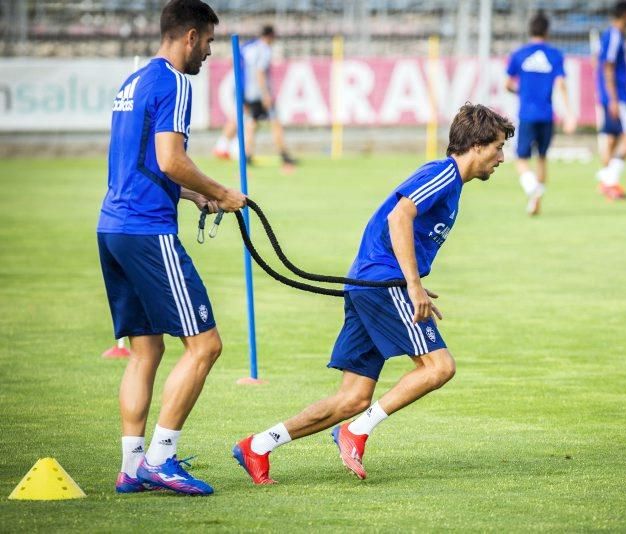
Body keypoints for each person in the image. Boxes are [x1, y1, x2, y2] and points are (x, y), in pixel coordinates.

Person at [232, 103, 515, 484]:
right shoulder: (444, 174)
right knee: (439, 367)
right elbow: (399, 216)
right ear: (477, 145)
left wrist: (412, 277)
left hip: (373, 283)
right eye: (497, 147)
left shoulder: (451, 185)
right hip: (383, 282)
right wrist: (410, 284)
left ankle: (258, 446)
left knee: (352, 399)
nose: (501, 157)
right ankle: (356, 431)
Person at [97, 0, 246, 496]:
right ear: (189, 37)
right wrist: (222, 191)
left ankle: (131, 464)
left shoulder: (132, 81)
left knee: (146, 350)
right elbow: (170, 157)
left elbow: (138, 161)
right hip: (146, 231)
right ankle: (162, 459)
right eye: (207, 41)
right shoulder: (175, 82)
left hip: (113, 228)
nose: (208, 52)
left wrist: (194, 193)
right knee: (205, 345)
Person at [506, 11, 576, 216]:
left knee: (520, 158)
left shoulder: (519, 54)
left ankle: (531, 188)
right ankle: (536, 199)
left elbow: (507, 84)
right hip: (547, 115)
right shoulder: (555, 55)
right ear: (547, 31)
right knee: (542, 158)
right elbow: (561, 83)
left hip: (526, 114)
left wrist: (522, 91)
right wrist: (569, 114)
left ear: (530, 30)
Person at [213, 25, 298, 168]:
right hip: (258, 93)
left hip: (245, 90)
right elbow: (260, 72)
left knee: (252, 122)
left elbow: (231, 60)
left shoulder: (248, 46)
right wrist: (266, 94)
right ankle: (284, 155)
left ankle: (247, 154)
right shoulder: (264, 49)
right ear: (270, 36)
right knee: (274, 122)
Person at [595, 1, 626, 201]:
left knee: (611, 139)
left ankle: (608, 185)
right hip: (616, 96)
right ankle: (609, 177)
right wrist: (613, 98)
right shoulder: (614, 35)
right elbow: (608, 66)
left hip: (608, 94)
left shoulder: (609, 35)